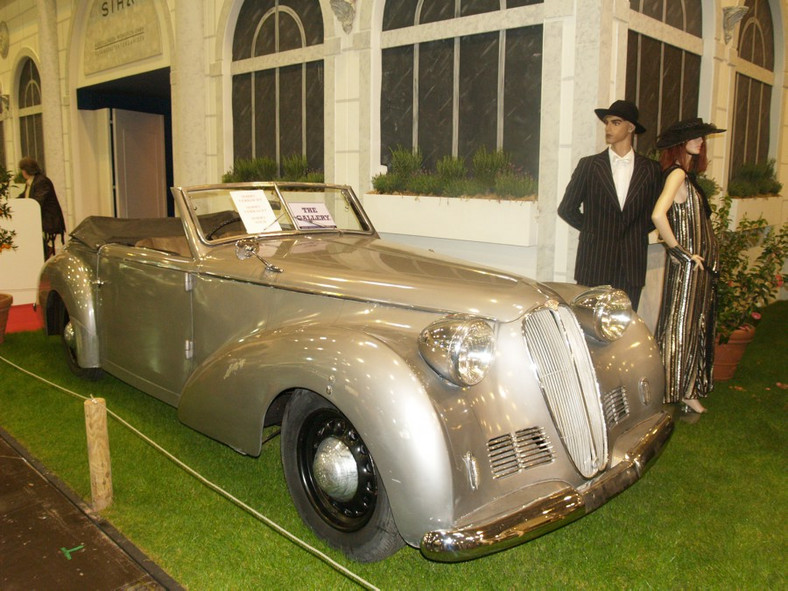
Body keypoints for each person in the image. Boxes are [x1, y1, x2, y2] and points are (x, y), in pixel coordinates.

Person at [558, 100, 662, 311]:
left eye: (615, 123)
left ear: (630, 127)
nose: (608, 128)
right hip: (594, 260)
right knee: (588, 324)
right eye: (606, 123)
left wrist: (634, 233)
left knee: (625, 325)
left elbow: (654, 213)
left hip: (631, 262)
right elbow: (567, 208)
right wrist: (595, 229)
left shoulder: (651, 169)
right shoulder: (589, 165)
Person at [652, 118, 725, 414]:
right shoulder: (678, 175)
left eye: (702, 137)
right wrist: (682, 253)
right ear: (679, 144)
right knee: (680, 327)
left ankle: (686, 388)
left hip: (697, 270)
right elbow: (659, 214)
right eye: (695, 137)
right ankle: (674, 389)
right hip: (688, 270)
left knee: (692, 325)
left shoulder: (685, 176)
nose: (701, 141)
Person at [18, 157, 66, 259]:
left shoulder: (41, 181)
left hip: (48, 219)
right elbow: (24, 195)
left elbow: (37, 201)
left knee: (29, 233)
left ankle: (43, 252)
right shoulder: (31, 181)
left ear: (26, 170)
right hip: (40, 217)